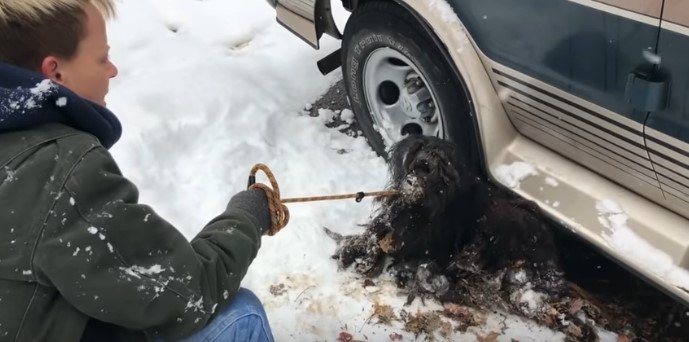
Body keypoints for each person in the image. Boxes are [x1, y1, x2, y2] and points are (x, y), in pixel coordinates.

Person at [0, 1, 276, 341]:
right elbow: (189, 297)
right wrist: (248, 217)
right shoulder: (56, 171)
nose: (112, 70)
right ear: (55, 73)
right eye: (102, 58)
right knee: (241, 315)